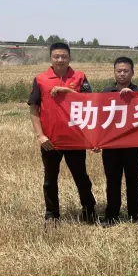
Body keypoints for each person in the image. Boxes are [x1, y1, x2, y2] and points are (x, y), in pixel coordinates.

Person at [28, 42, 97, 225]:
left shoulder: (79, 77)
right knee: (50, 179)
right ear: (50, 58)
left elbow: (88, 102)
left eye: (64, 56)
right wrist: (40, 135)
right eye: (56, 56)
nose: (60, 60)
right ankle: (52, 214)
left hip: (75, 139)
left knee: (81, 177)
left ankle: (89, 211)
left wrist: (67, 91)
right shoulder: (41, 79)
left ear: (69, 58)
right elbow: (34, 108)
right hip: (50, 140)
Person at [97, 57, 138, 227]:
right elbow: (98, 118)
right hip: (111, 145)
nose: (122, 74)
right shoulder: (106, 93)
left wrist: (133, 96)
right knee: (112, 180)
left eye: (126, 71)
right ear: (114, 72)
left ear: (132, 73)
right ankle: (111, 215)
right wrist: (97, 140)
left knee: (133, 179)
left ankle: (136, 214)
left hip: (134, 144)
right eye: (119, 71)